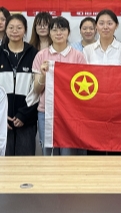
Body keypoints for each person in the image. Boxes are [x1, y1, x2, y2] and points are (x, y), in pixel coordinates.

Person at [32, 16, 87, 155]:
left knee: (68, 154)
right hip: (46, 112)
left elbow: (82, 90)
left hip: (70, 113)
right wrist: (43, 75)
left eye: (62, 29)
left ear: (68, 32)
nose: (58, 33)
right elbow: (37, 90)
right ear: (49, 33)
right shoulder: (41, 55)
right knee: (48, 153)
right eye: (54, 30)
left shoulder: (78, 56)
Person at [0, 14, 39, 156]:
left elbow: (36, 90)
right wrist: (0, 115)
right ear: (6, 30)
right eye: (11, 27)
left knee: (25, 163)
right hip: (1, 120)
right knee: (3, 163)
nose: (14, 31)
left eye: (19, 28)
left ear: (25, 30)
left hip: (27, 120)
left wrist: (24, 114)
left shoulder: (34, 54)